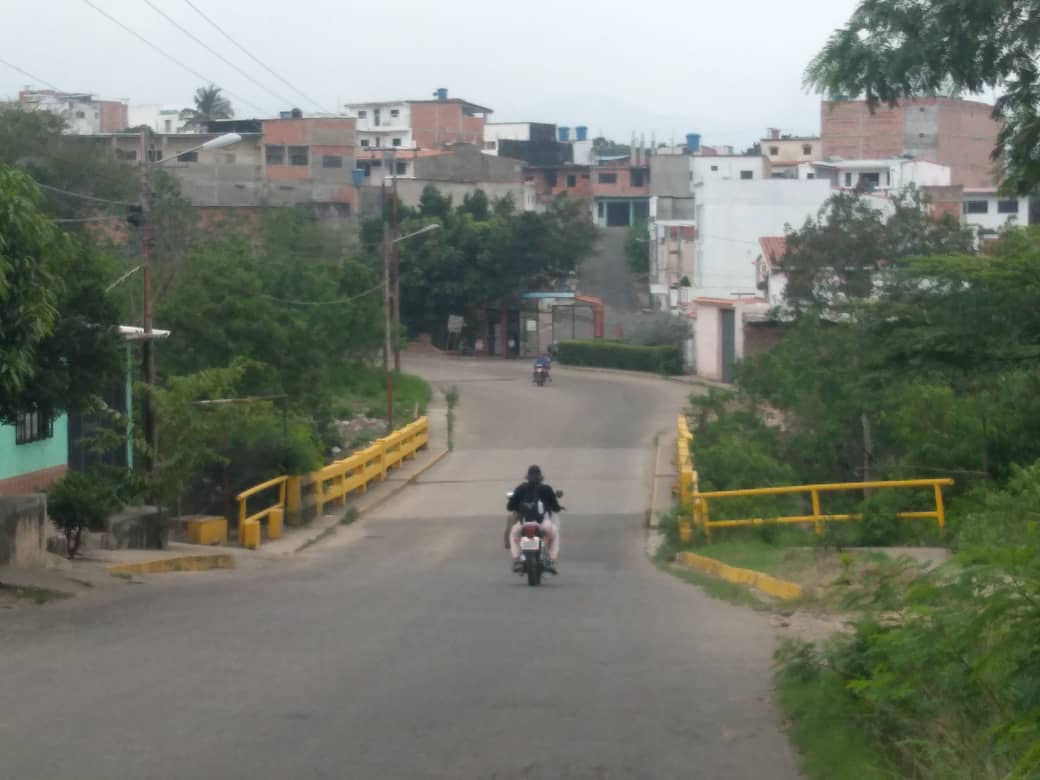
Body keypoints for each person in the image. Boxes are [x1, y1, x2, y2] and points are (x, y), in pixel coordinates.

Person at [506, 465, 561, 572]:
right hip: (543, 523)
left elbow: (510, 506)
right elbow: (555, 507)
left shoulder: (521, 489)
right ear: (540, 478)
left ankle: (517, 559)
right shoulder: (546, 489)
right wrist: (558, 507)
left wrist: (517, 506)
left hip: (524, 523)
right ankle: (551, 560)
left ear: (527, 477)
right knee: (554, 535)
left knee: (514, 533)